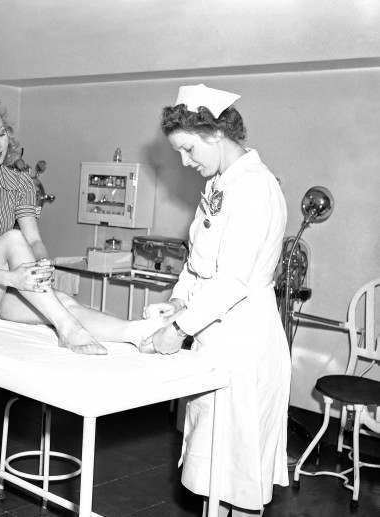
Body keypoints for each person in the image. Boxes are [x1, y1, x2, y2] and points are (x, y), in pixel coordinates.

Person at [0, 93, 163, 355]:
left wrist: (41, 263)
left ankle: (138, 333)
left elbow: (35, 241)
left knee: (63, 303)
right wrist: (13, 278)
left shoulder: (20, 184)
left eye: (1, 133)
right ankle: (68, 331)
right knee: (12, 239)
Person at [142, 84, 291, 516]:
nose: (186, 163)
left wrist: (178, 330)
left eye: (189, 149)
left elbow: (232, 281)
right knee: (214, 472)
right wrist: (178, 302)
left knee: (239, 474)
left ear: (215, 133)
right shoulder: (220, 185)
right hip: (214, 336)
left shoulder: (255, 188)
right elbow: (198, 261)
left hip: (244, 339)